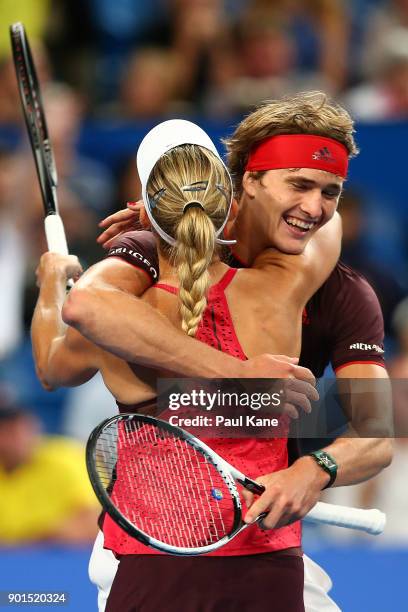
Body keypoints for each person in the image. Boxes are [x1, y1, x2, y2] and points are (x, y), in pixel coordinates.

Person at [69, 92, 393, 611]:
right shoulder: (153, 253)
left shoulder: (342, 291)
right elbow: (82, 314)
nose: (315, 208)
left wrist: (312, 471)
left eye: (330, 191)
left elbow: (377, 433)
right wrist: (237, 375)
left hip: (263, 536)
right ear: (246, 181)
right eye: (300, 184)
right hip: (153, 536)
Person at [0, 391, 99, 545]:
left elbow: (94, 524)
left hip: (65, 564)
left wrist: (33, 537)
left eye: (17, 425)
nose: (14, 435)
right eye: (4, 429)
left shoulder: (66, 457)